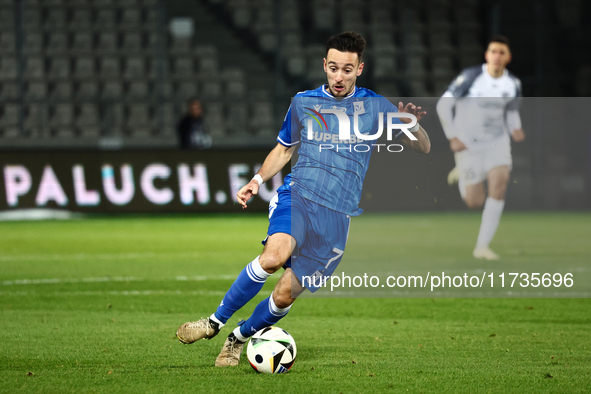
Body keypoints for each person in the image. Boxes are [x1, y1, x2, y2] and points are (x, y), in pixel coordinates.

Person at [176, 31, 431, 367]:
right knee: (273, 256)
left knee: (284, 294)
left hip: (337, 218)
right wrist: (257, 179)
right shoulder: (304, 102)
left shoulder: (375, 106)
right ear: (325, 65)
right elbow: (284, 148)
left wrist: (410, 125)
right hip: (299, 196)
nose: (339, 76)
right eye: (334, 68)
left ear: (360, 69)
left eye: (348, 70)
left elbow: (423, 146)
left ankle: (236, 339)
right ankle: (213, 322)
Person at [436, 35, 525, 260]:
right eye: (493, 51)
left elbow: (512, 111)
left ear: (508, 57)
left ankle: (482, 246)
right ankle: (462, 172)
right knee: (474, 201)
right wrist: (452, 137)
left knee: (500, 184)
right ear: (487, 55)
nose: (497, 56)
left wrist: (516, 128)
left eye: (501, 52)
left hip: (497, 142)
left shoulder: (512, 83)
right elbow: (443, 106)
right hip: (468, 145)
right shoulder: (471, 77)